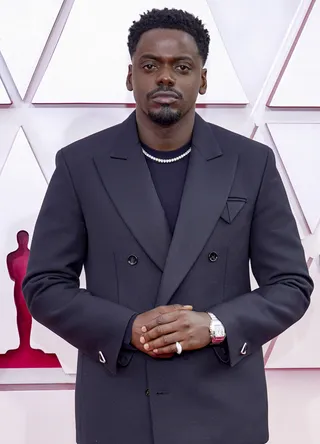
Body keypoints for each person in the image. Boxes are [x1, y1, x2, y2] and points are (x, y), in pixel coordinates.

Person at [22, 8, 313, 444]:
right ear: (130, 76)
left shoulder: (250, 164)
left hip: (224, 410)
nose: (165, 78)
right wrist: (125, 328)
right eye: (150, 65)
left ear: (203, 79)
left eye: (181, 67)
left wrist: (215, 325)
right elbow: (43, 284)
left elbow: (291, 284)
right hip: (121, 409)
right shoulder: (82, 164)